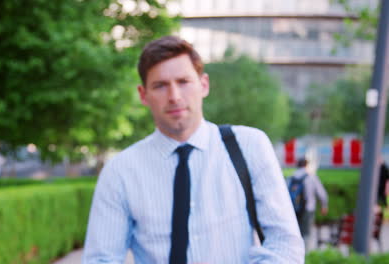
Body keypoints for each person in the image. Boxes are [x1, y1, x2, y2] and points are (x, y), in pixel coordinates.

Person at [82, 36, 304, 263]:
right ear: (143, 95)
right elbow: (101, 259)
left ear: (204, 85)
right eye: (160, 85)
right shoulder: (120, 171)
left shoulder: (249, 146)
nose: (174, 96)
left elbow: (285, 244)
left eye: (184, 81)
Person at [288, 158, 328, 251]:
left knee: (295, 232)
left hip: (293, 209)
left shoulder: (291, 177)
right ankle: (305, 254)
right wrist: (324, 205)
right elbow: (322, 193)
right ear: (306, 165)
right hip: (308, 209)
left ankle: (295, 252)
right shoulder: (311, 177)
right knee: (306, 233)